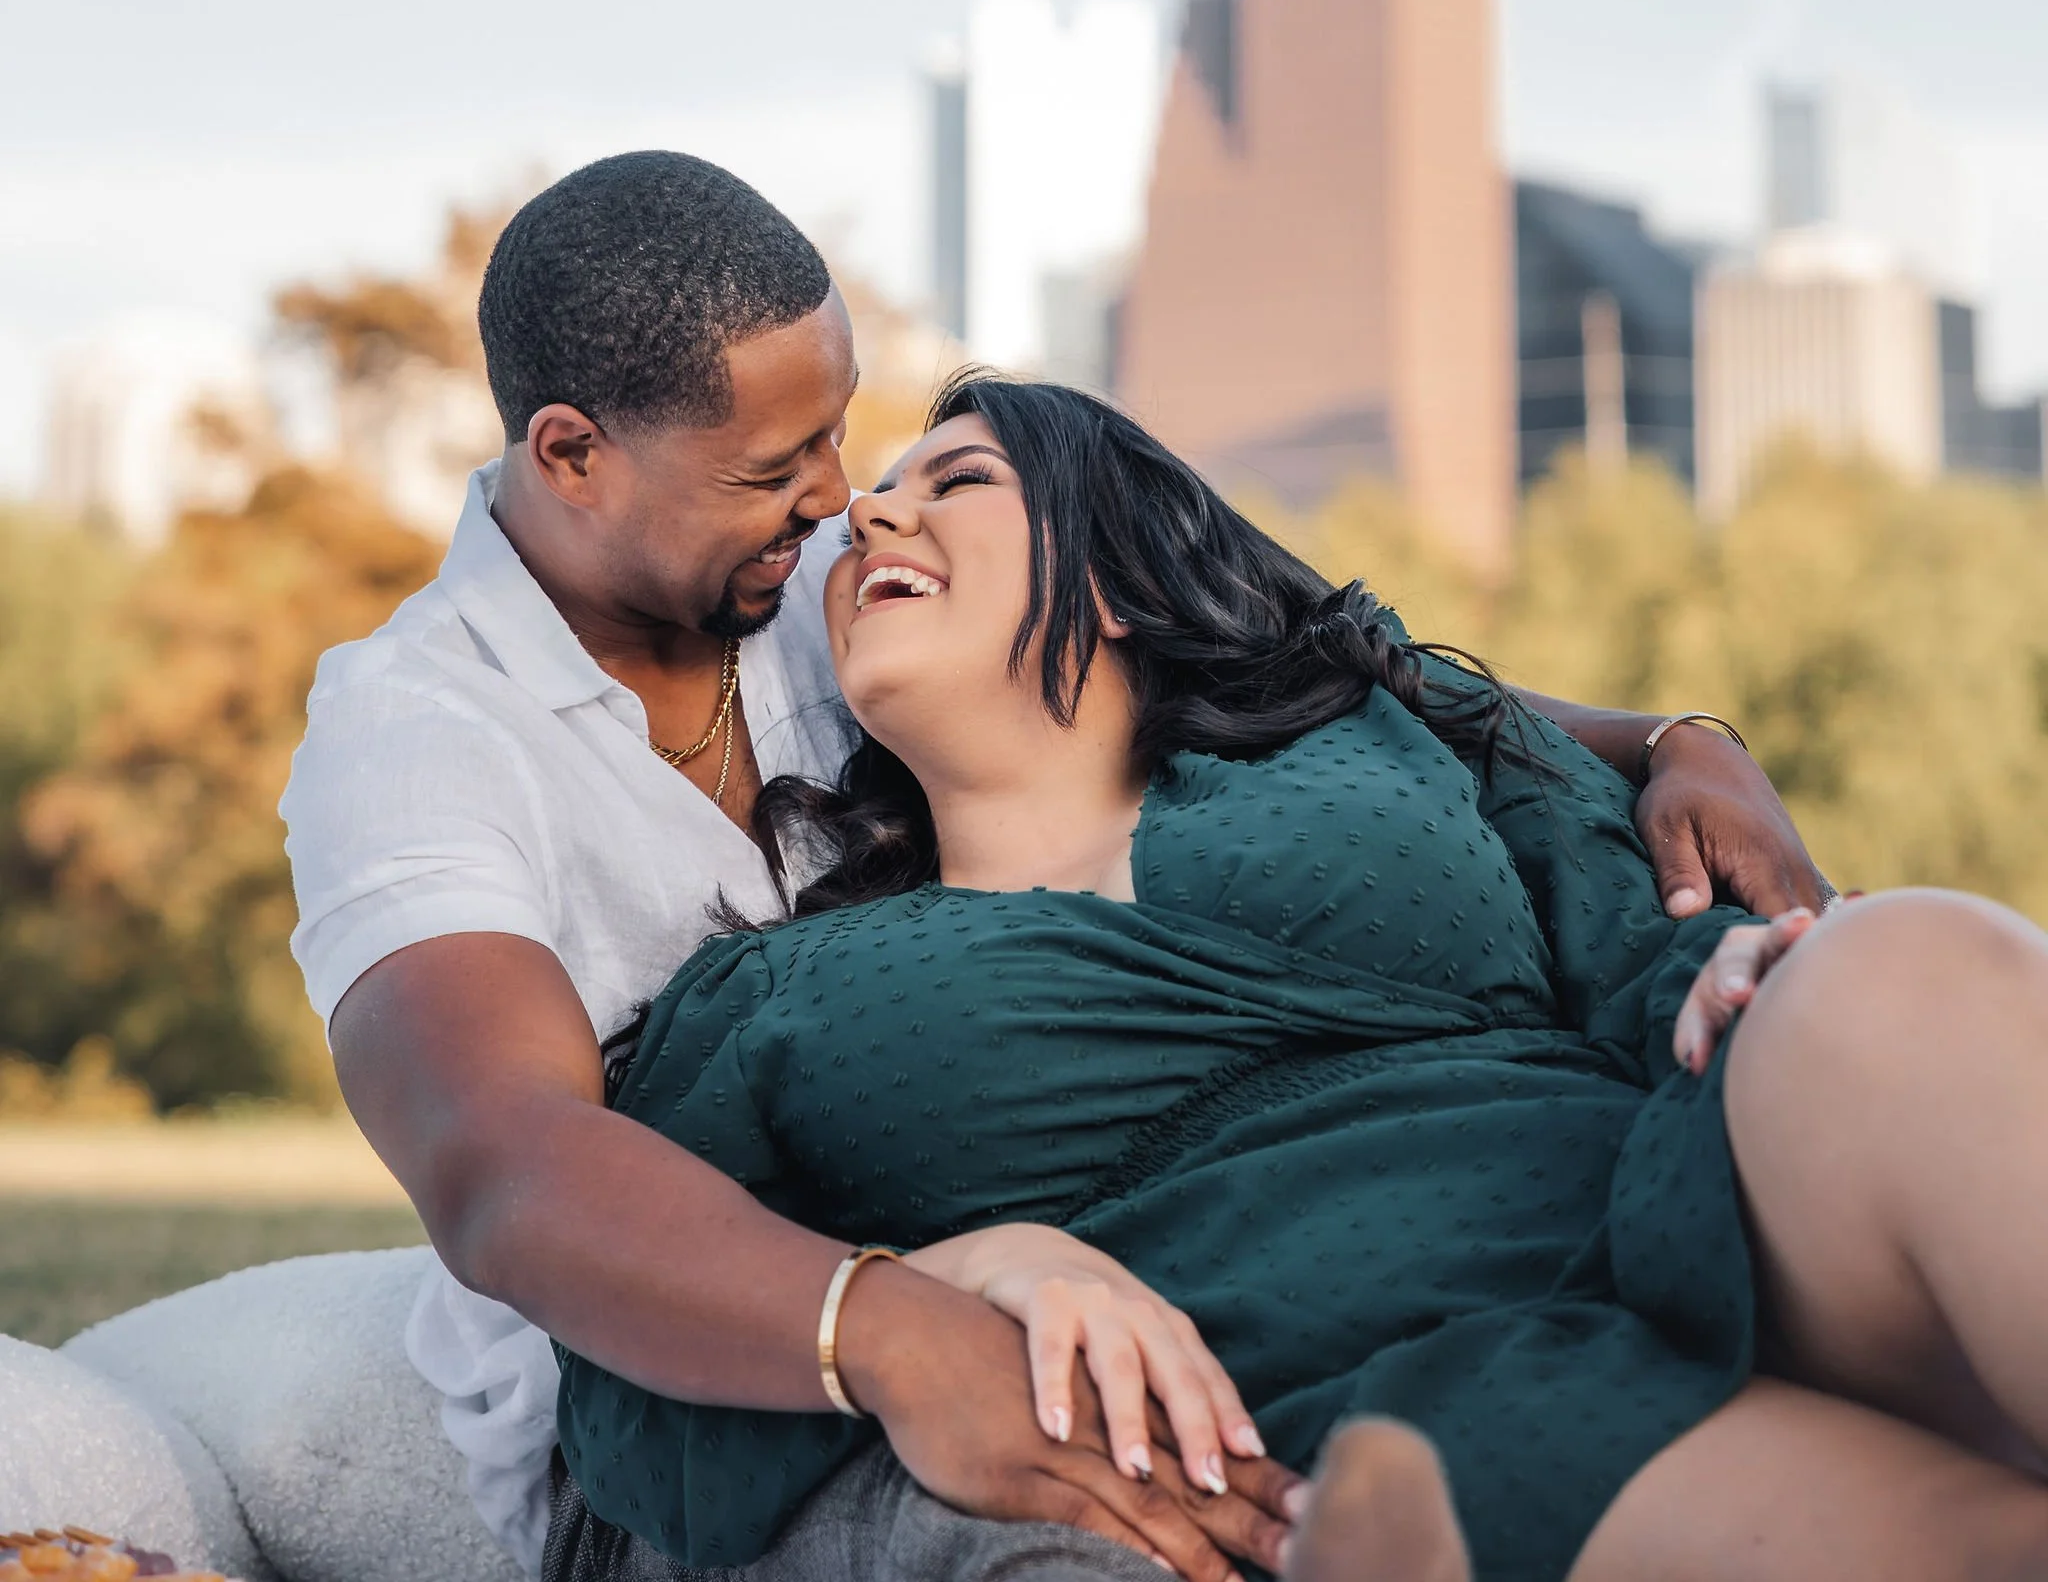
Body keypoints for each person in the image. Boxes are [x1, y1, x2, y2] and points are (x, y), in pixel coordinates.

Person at [285, 153, 1829, 1582]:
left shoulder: (842, 570)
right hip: (702, 1389)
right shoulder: (416, 734)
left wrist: (1666, 740)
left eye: (841, 431)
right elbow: (504, 1165)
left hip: (1087, 1236)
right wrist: (885, 1323)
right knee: (1133, 1521)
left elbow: (1291, 653)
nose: (837, 496)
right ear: (573, 455)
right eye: (777, 468)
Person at [551, 376, 2048, 1582]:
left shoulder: (1367, 734)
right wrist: (941, 1283)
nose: (872, 509)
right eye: (876, 499)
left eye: (959, 481)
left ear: (1116, 571)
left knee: (1899, 965)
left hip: (1682, 1171)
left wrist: (1717, 920)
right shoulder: (775, 993)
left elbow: (1641, 918)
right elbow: (633, 1396)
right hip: (1421, 1378)